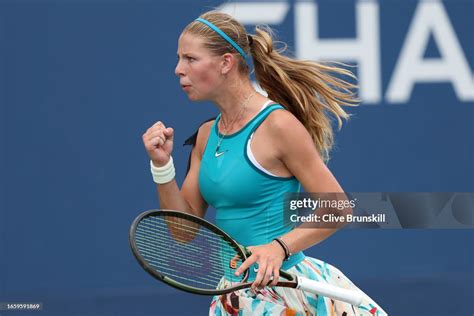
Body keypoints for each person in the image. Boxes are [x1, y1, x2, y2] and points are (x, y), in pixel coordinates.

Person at [142, 10, 387, 316]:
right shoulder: (206, 136)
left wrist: (279, 247)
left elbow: (338, 207)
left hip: (284, 291)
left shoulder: (279, 127)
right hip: (234, 294)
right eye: (179, 58)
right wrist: (162, 167)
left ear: (226, 63)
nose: (178, 69)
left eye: (190, 59)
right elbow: (184, 231)